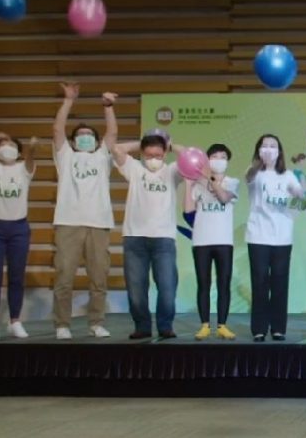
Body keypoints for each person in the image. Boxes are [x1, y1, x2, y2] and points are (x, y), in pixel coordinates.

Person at [51, 83, 116, 340]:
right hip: (68, 222)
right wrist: (68, 101)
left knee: (99, 278)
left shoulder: (102, 156)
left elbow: (112, 134)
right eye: (81, 135)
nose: (85, 137)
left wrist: (108, 107)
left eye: (90, 134)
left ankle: (96, 322)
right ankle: (62, 324)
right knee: (64, 277)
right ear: (74, 141)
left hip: (98, 223)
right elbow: (57, 129)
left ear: (96, 141)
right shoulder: (65, 156)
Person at [112, 130, 183, 340]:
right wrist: (142, 142)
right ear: (142, 154)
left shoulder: (172, 171)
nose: (154, 160)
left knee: (168, 286)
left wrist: (170, 144)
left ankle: (165, 326)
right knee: (136, 288)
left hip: (164, 238)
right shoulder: (134, 169)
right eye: (149, 155)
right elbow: (117, 149)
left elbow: (192, 155)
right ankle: (142, 326)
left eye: (159, 155)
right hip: (135, 237)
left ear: (165, 154)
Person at [246, 134, 305, 342]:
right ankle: (259, 329)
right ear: (259, 150)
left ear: (279, 151)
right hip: (258, 236)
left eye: (273, 146)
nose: (269, 149)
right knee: (260, 283)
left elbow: (302, 200)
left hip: (282, 237)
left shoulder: (288, 175)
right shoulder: (254, 173)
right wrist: (259, 163)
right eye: (265, 146)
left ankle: (278, 328)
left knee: (280, 284)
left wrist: (300, 188)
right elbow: (249, 178)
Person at [0, 132, 39, 341]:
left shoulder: (23, 169)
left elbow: (30, 162)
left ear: (18, 151)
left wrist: (31, 148)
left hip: (19, 229)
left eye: (11, 144)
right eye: (3, 145)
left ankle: (15, 320)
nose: (7, 147)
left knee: (16, 277)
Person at [185, 144, 239, 341]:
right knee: (203, 284)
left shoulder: (232, 182)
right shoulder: (198, 184)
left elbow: (224, 198)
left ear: (227, 161)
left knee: (224, 283)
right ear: (207, 160)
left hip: (224, 240)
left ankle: (222, 326)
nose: (218, 160)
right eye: (214, 156)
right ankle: (205, 325)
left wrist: (211, 179)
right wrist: (189, 184)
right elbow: (188, 211)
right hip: (201, 240)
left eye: (223, 157)